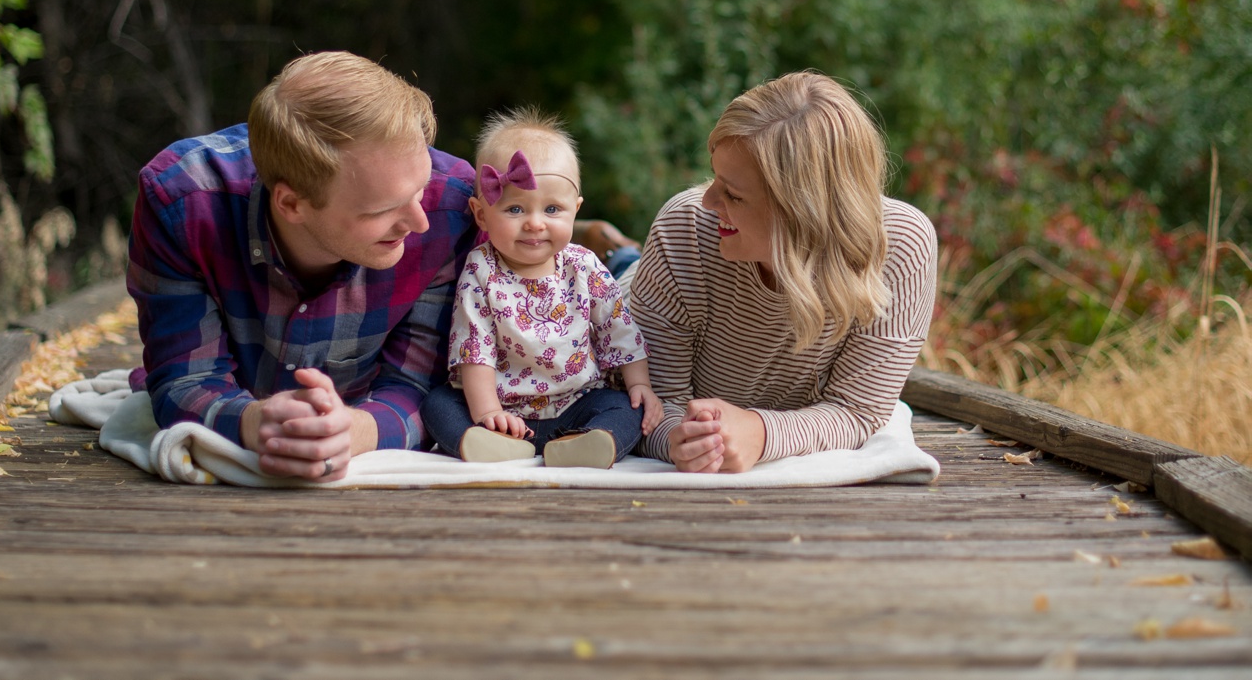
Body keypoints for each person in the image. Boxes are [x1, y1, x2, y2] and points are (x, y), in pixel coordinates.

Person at [126, 51, 479, 482]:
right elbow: (184, 380)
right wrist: (257, 424)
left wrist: (354, 432)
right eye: (382, 210)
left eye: (420, 189)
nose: (419, 221)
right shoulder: (182, 203)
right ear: (291, 203)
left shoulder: (454, 208)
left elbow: (422, 386)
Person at [630, 71, 938, 473]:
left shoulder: (901, 247)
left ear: (803, 213)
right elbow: (651, 404)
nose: (708, 200)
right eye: (715, 179)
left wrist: (761, 433)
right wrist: (677, 440)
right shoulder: (684, 229)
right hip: (615, 300)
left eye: (733, 195)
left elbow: (859, 411)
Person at [421, 109, 663, 469]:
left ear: (575, 210)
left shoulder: (583, 266)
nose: (535, 223)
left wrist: (639, 383)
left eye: (552, 209)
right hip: (500, 406)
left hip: (576, 401)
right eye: (515, 208)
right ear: (481, 214)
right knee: (437, 404)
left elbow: (618, 327)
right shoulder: (482, 270)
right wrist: (489, 413)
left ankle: (590, 444)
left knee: (625, 408)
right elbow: (475, 348)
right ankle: (489, 442)